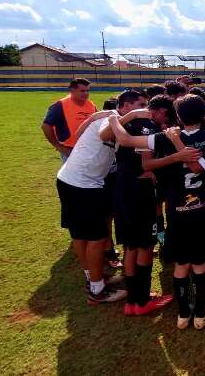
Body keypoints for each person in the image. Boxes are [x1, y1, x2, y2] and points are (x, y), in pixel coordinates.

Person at [109, 95, 205, 330]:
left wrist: (117, 118)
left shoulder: (165, 136)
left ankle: (183, 313)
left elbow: (125, 140)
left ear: (177, 116)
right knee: (200, 263)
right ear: (204, 113)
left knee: (181, 263)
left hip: (177, 211)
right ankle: (199, 312)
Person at [99, 92, 189, 316]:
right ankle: (142, 301)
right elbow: (146, 164)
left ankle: (133, 301)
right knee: (146, 245)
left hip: (122, 189)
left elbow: (106, 136)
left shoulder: (127, 124)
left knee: (130, 246)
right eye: (166, 115)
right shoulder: (147, 126)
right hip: (138, 194)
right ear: (161, 112)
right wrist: (177, 157)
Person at [55, 96, 151, 304]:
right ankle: (97, 290)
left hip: (69, 179)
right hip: (83, 184)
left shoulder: (110, 118)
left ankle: (93, 279)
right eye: (141, 105)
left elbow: (80, 133)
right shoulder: (113, 119)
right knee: (96, 238)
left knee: (80, 234)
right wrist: (131, 116)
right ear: (126, 106)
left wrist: (95, 117)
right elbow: (104, 133)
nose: (145, 110)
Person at [42, 78, 97, 162]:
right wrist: (59, 147)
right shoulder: (60, 105)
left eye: (88, 91)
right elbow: (46, 126)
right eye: (82, 91)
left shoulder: (91, 105)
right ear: (72, 90)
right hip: (70, 150)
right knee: (72, 175)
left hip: (89, 148)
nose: (86, 93)